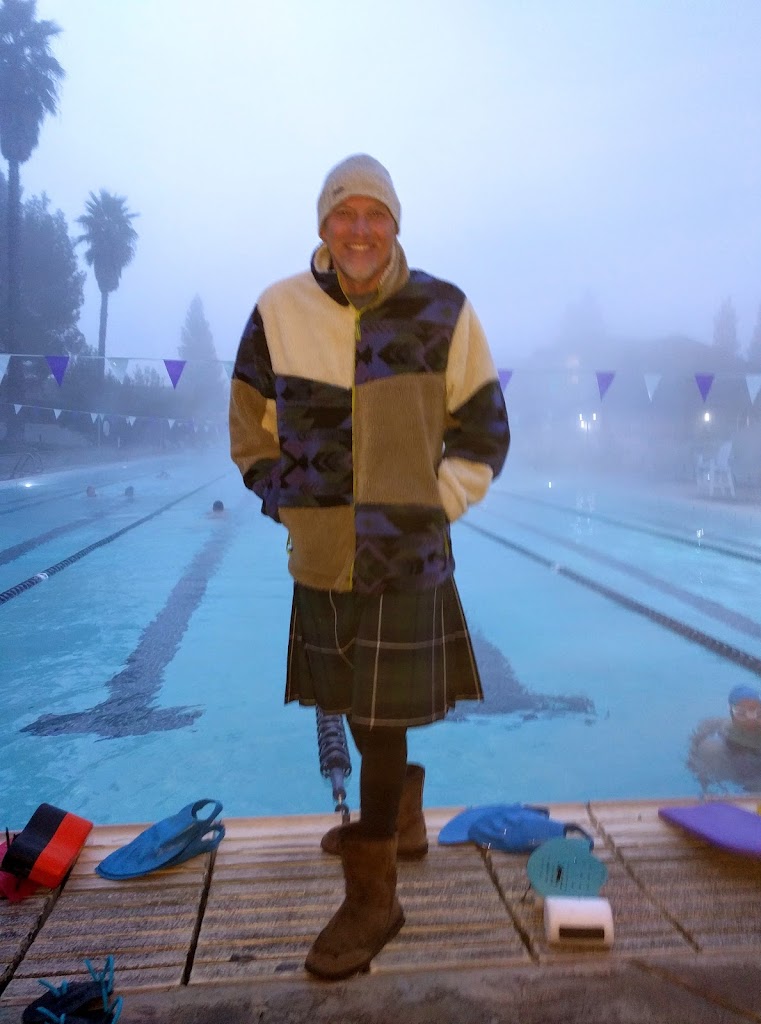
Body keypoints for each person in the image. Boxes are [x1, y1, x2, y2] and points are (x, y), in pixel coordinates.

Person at [229, 154, 510, 980]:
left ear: (395, 224)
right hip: (322, 554)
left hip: (406, 555)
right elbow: (249, 424)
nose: (359, 229)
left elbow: (484, 428)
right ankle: (403, 821)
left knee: (381, 721)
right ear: (324, 225)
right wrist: (289, 502)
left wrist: (436, 503)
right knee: (355, 702)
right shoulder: (278, 310)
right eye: (344, 214)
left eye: (374, 214)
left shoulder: (443, 310)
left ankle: (374, 895)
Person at [687, 685, 761, 793]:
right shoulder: (713, 749)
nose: (751, 720)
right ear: (731, 714)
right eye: (742, 714)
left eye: (760, 714)